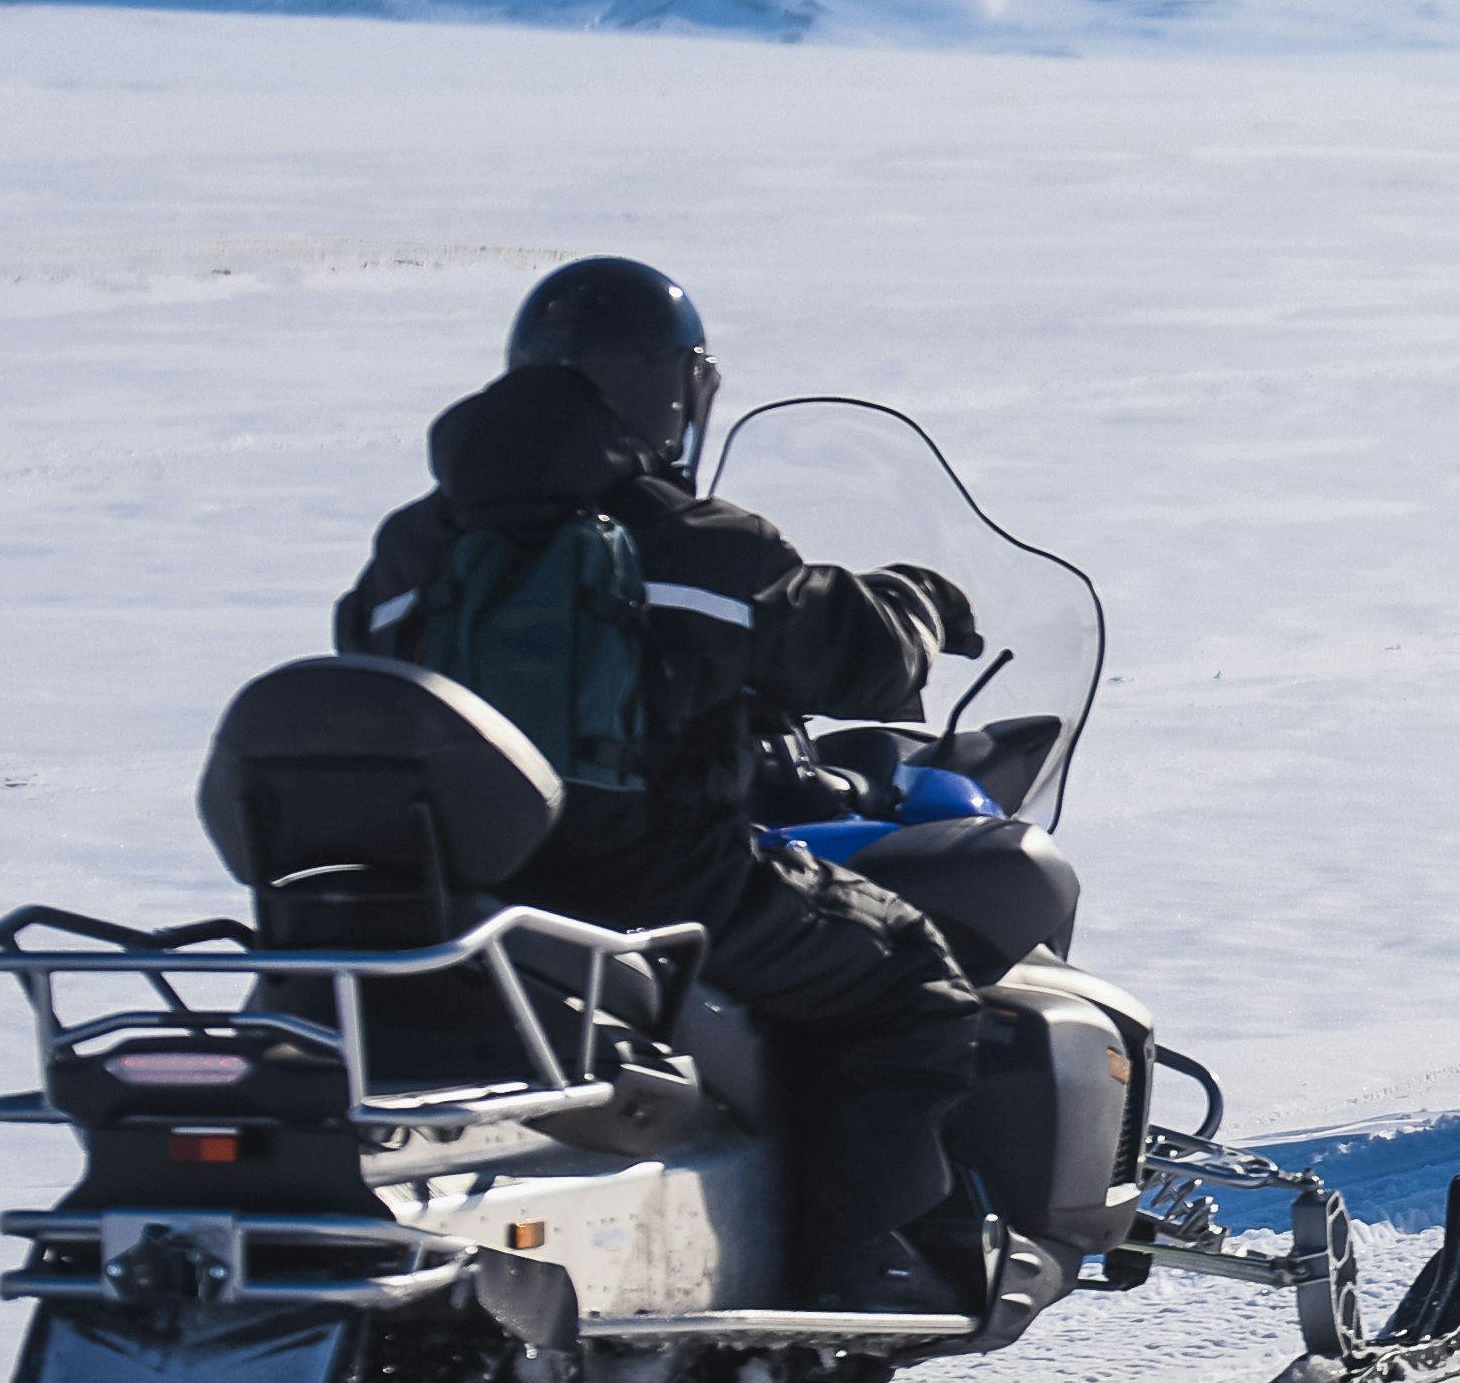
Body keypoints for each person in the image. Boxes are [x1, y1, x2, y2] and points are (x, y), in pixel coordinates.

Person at [337, 258, 997, 1313]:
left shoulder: (412, 551)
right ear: (673, 394)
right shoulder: (689, 542)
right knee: (911, 982)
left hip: (458, 902)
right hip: (656, 893)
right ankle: (857, 1267)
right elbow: (853, 654)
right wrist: (916, 604)